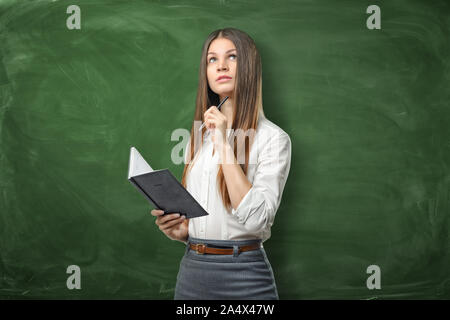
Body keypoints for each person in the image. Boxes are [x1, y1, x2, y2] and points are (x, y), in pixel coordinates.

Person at [151, 27, 291, 300]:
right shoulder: (199, 137)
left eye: (232, 57)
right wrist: (183, 231)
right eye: (212, 59)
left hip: (246, 276)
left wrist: (225, 144)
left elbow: (257, 221)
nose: (221, 66)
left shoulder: (274, 139)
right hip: (193, 270)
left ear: (249, 67)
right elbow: (205, 214)